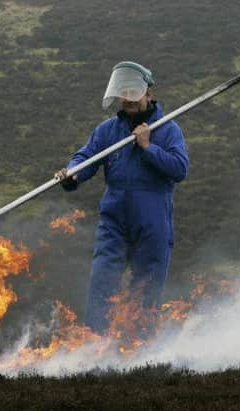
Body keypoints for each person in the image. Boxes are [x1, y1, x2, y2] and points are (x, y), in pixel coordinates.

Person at [55, 61, 189, 335]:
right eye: (123, 93)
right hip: (114, 220)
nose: (127, 99)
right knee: (102, 282)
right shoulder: (107, 130)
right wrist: (73, 173)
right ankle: (95, 350)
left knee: (146, 289)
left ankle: (139, 353)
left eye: (133, 93)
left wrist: (147, 147)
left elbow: (179, 169)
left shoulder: (168, 129)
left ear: (148, 93)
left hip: (152, 222)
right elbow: (86, 157)